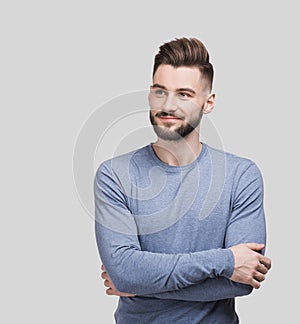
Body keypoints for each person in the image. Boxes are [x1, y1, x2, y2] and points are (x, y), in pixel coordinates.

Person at [94, 37, 271, 323]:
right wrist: (226, 261)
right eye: (160, 91)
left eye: (184, 94)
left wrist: (140, 285)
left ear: (208, 102)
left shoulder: (241, 176)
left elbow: (241, 281)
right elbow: (124, 272)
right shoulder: (115, 175)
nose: (169, 105)